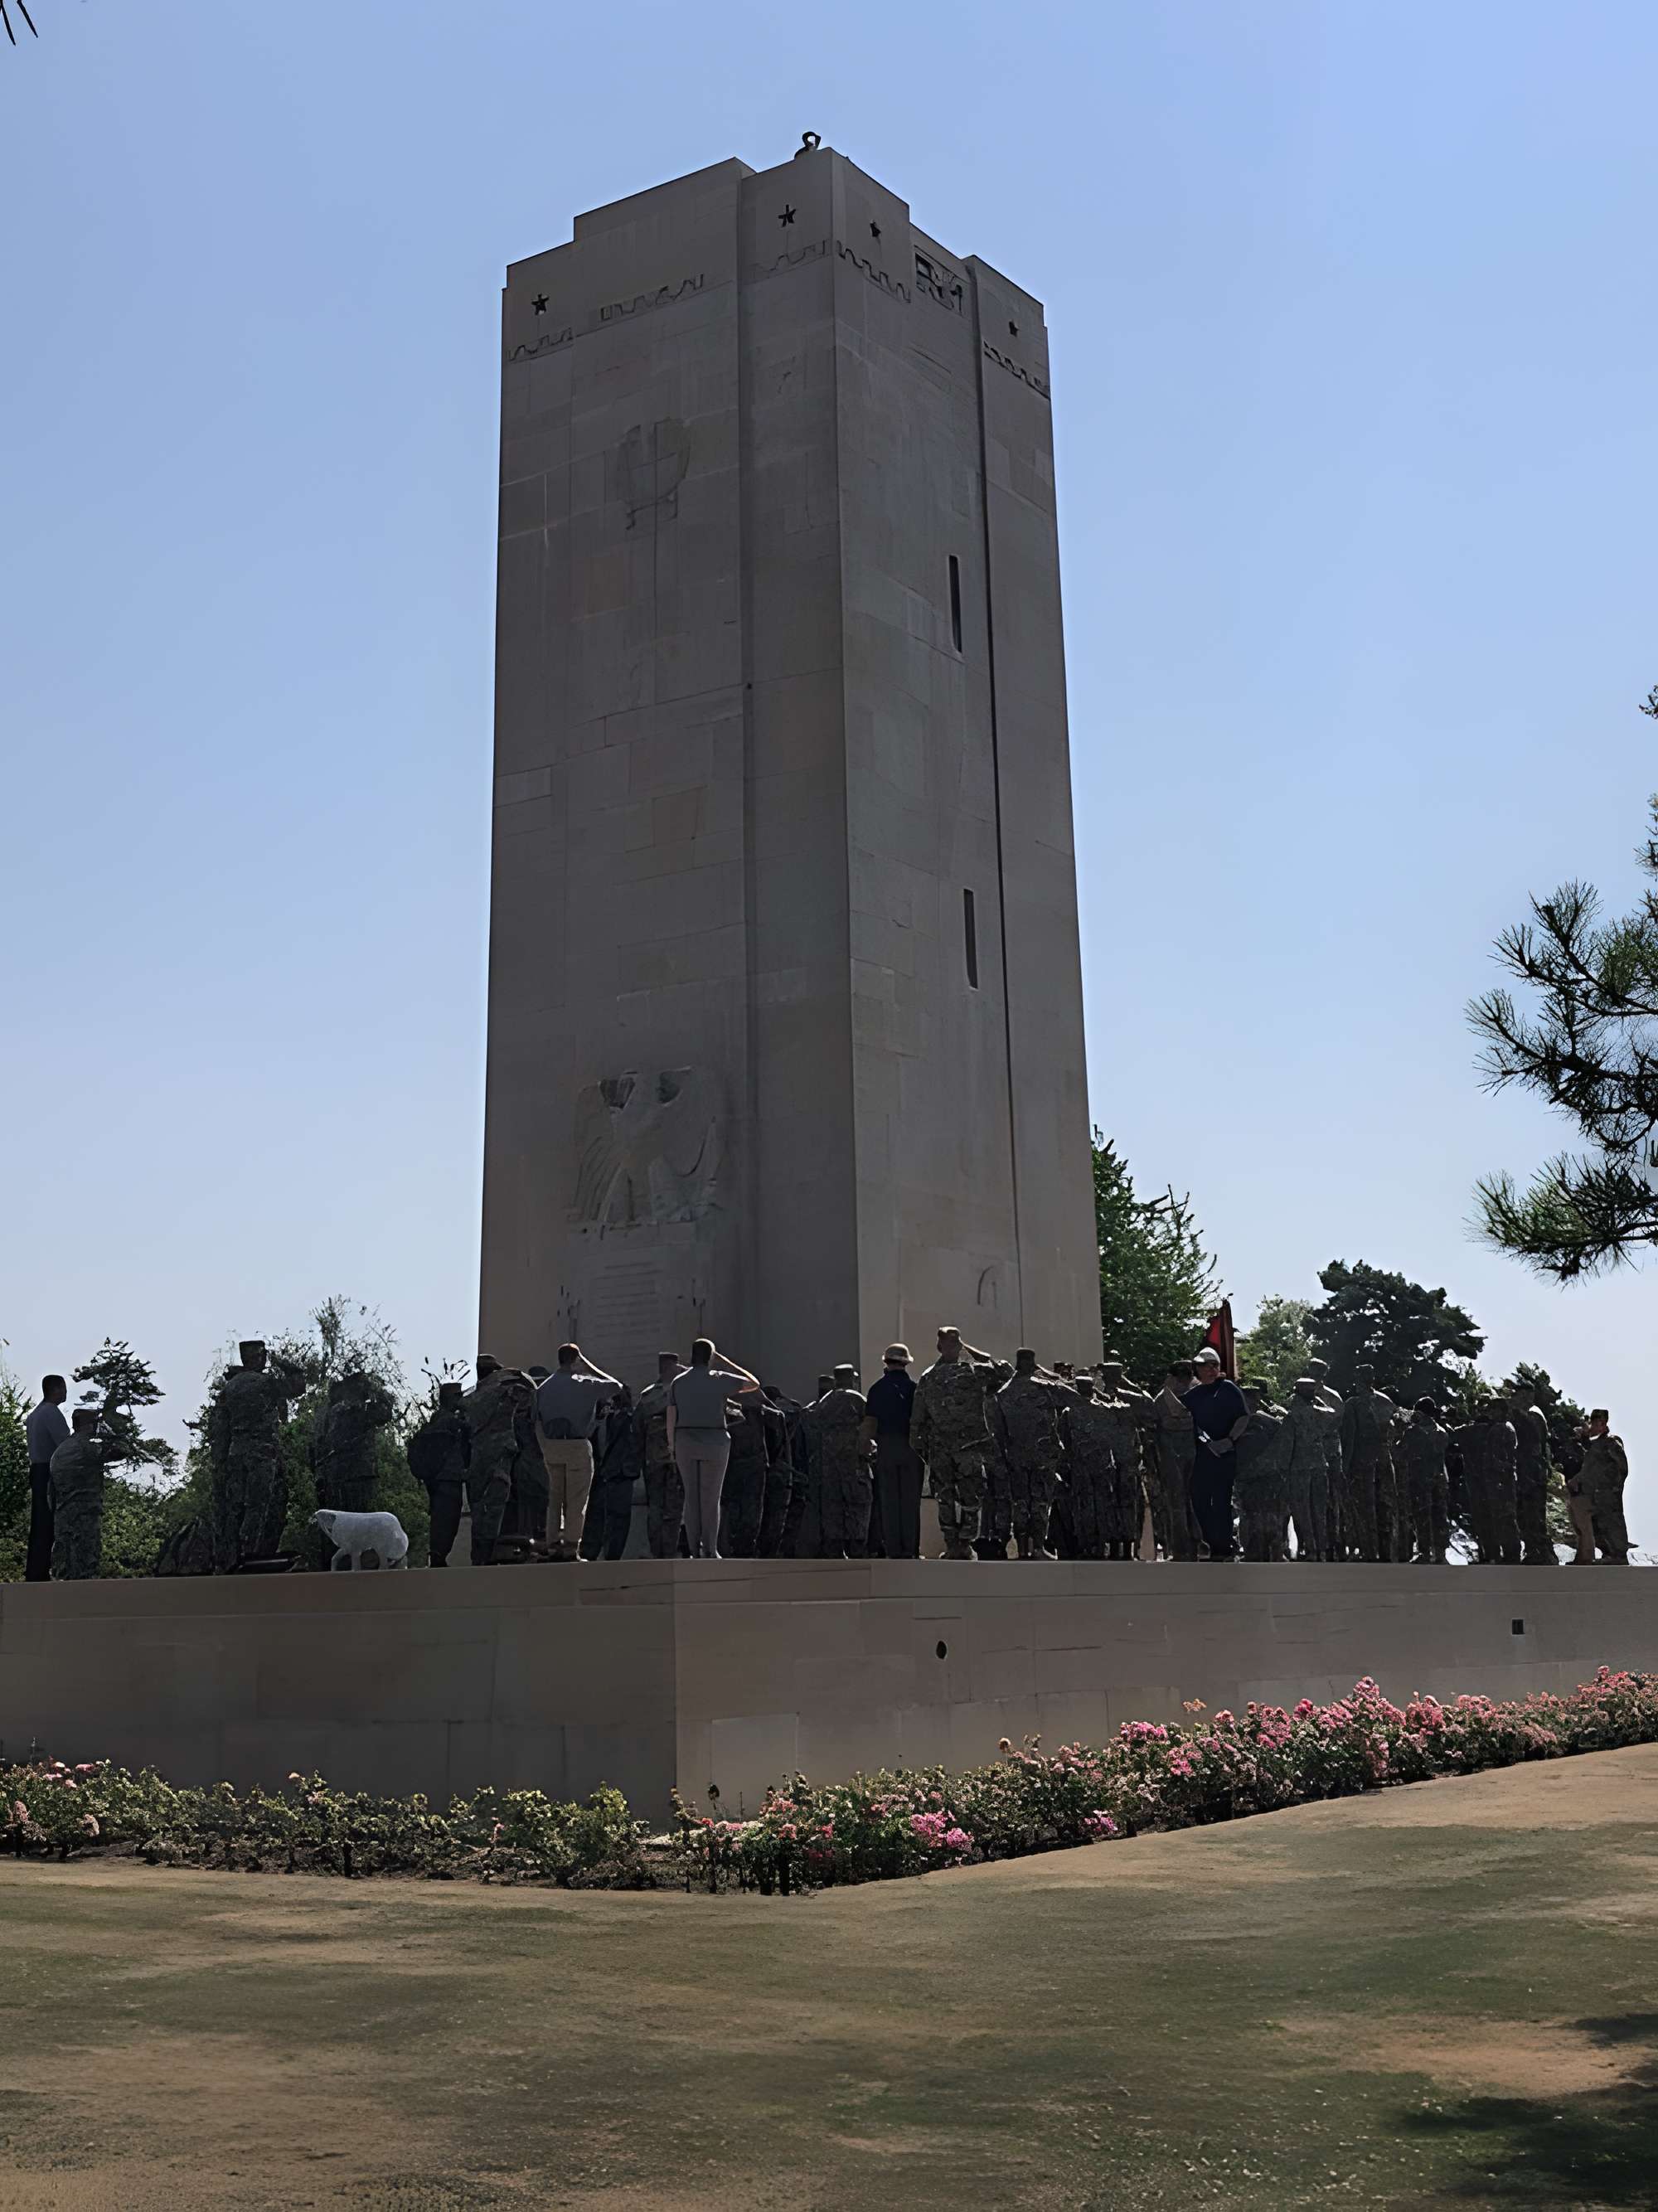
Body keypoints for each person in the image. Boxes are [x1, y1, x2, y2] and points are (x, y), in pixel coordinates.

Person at [667, 1339, 762, 1559]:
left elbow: (671, 1416)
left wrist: (672, 1446)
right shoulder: (719, 1379)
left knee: (691, 1498)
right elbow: (753, 1383)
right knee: (711, 1498)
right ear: (710, 1357)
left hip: (685, 1439)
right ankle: (710, 1549)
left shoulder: (678, 1382)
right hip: (715, 1439)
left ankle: (693, 1549)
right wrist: (725, 1361)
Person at [910, 1329, 1000, 1560]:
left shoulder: (931, 1376)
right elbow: (1001, 1371)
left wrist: (926, 1453)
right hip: (962, 1447)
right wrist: (969, 1348)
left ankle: (957, 1544)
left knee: (953, 1497)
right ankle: (960, 1544)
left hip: (948, 1448)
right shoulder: (971, 1372)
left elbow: (917, 1424)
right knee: (961, 1497)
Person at [534, 1344, 623, 1561]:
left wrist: (544, 1445)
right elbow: (617, 1386)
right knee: (576, 1500)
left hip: (551, 1445)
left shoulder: (544, 1387)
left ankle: (553, 1545)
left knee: (554, 1500)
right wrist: (589, 1366)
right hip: (576, 1445)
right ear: (576, 1360)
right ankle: (571, 1547)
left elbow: (536, 1420)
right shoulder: (584, 1383)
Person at [49, 1402, 128, 1579]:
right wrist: (110, 1431)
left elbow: (50, 1491)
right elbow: (122, 1450)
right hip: (85, 1515)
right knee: (86, 1564)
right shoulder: (88, 1448)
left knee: (64, 1563)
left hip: (63, 1516)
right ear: (90, 1425)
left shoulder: (60, 1451)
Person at [1184, 1347, 1248, 1560]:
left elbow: (1243, 1417)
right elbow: (1187, 1423)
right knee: (1200, 1501)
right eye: (1205, 1366)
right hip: (1201, 1457)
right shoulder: (1192, 1396)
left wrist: (1229, 1440)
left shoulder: (1228, 1389)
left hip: (1225, 1455)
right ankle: (1208, 1543)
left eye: (1214, 1365)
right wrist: (1207, 1442)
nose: (1210, 1370)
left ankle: (1224, 1546)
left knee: (1221, 1501)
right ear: (1198, 1369)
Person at [863, 1345, 923, 1560]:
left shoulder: (876, 1389)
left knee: (889, 1500)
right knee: (910, 1500)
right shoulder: (916, 1389)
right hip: (912, 1448)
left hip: (887, 1447)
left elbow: (870, 1424)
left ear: (886, 1362)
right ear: (906, 1363)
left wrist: (866, 1448)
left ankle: (893, 1549)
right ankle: (910, 1549)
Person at [406, 1380, 472, 1565]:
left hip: (439, 1479)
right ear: (449, 1399)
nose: (460, 1400)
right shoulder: (450, 1421)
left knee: (443, 1519)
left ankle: (438, 1557)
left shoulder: (437, 1420)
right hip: (447, 1479)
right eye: (457, 1396)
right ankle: (438, 1558)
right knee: (446, 1520)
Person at [817, 1365, 874, 1558]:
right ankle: (857, 1547)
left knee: (833, 1504)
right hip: (854, 1463)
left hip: (829, 1465)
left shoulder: (825, 1402)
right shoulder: (858, 1400)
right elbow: (869, 1428)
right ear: (851, 1379)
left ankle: (835, 1548)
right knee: (858, 1503)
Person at [23, 1375, 70, 1584]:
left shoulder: (34, 1414)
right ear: (55, 1389)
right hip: (48, 1471)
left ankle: (35, 1570)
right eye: (63, 1388)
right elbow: (65, 1446)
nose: (65, 1392)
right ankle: (41, 1571)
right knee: (48, 1523)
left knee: (39, 1522)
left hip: (37, 1469)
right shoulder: (51, 1412)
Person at [1394, 1398, 1450, 1564]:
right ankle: (1439, 1553)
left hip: (1421, 1478)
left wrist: (1400, 1433)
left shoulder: (1414, 1433)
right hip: (1437, 1478)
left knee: (1424, 1515)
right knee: (1437, 1516)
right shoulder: (1440, 1432)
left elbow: (1400, 1453)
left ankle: (1426, 1552)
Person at [1508, 1380, 1556, 1565]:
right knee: (1526, 1513)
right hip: (1526, 1469)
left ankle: (1542, 1552)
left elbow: (1534, 1442)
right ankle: (1534, 1550)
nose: (1518, 1399)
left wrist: (1518, 1414)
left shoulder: (1534, 1414)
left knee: (1534, 1513)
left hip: (1533, 1471)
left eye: (1522, 1395)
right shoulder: (1526, 1414)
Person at [1581, 1409, 1631, 1563]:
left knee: (1612, 1521)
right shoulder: (1597, 1444)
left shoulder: (1611, 1442)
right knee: (1599, 1522)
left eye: (1595, 1423)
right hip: (1598, 1492)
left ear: (1602, 1424)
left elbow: (1622, 1466)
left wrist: (1616, 1486)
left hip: (1609, 1491)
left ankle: (1619, 1555)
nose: (1592, 1426)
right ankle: (1609, 1552)